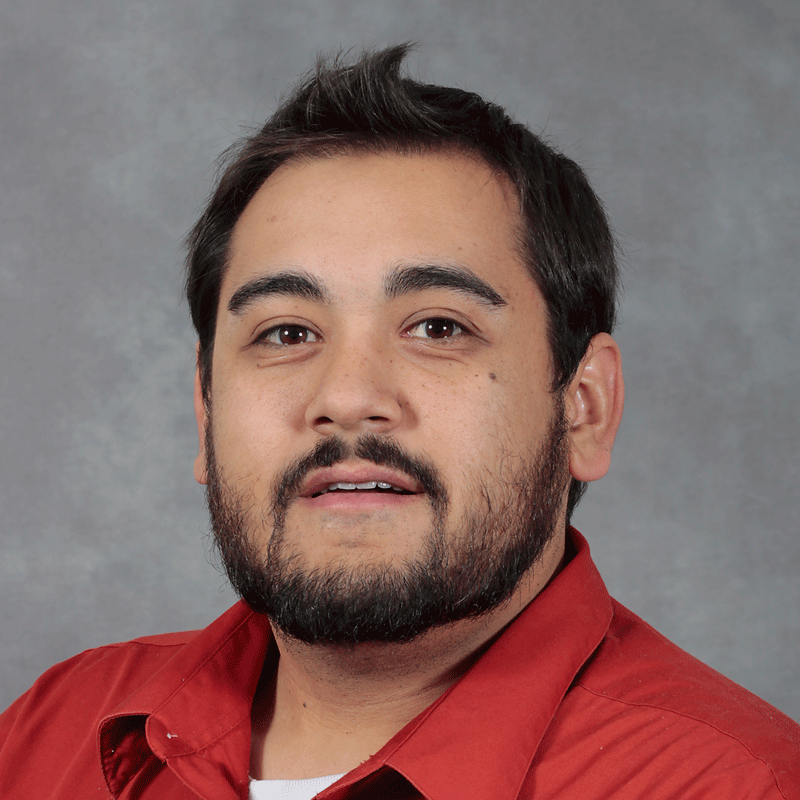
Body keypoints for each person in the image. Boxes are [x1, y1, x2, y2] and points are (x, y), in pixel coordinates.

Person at [1, 44, 798, 800]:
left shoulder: (738, 784)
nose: (347, 396)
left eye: (438, 328)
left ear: (584, 407)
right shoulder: (47, 737)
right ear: (206, 412)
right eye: (286, 333)